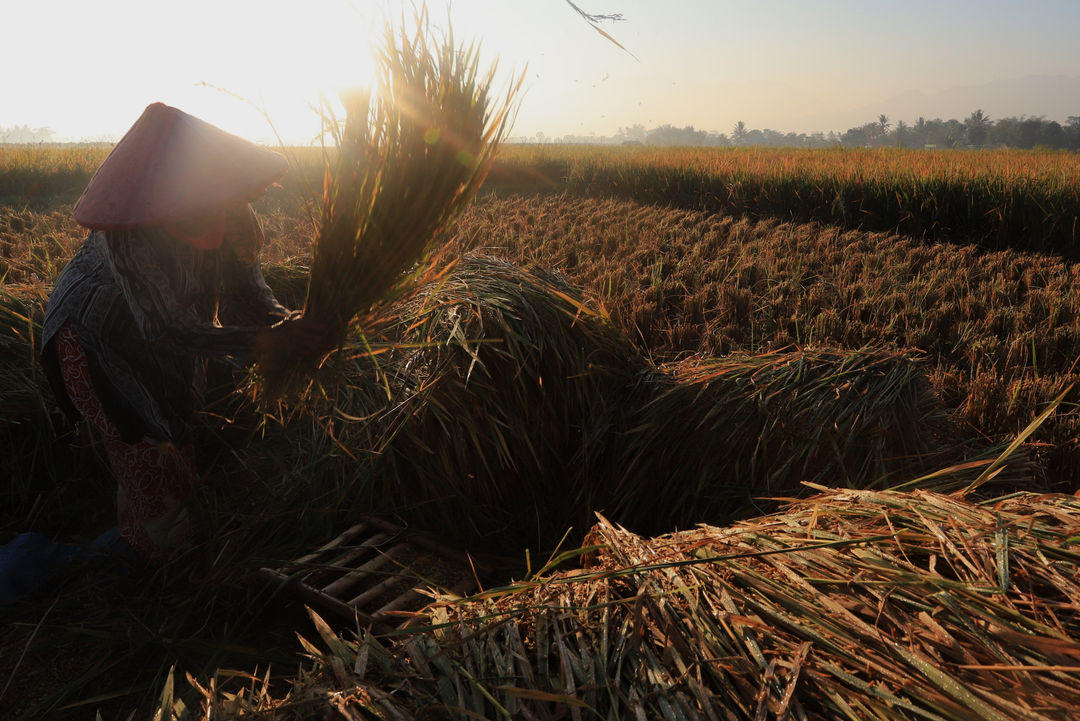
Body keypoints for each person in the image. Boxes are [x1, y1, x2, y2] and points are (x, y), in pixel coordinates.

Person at [37, 102, 326, 566]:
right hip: (95, 345)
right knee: (147, 455)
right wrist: (258, 343)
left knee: (177, 445)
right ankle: (148, 577)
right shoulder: (126, 233)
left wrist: (288, 326)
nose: (207, 223)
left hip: (171, 341)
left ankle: (147, 541)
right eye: (189, 211)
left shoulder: (237, 221)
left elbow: (250, 296)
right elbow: (163, 325)